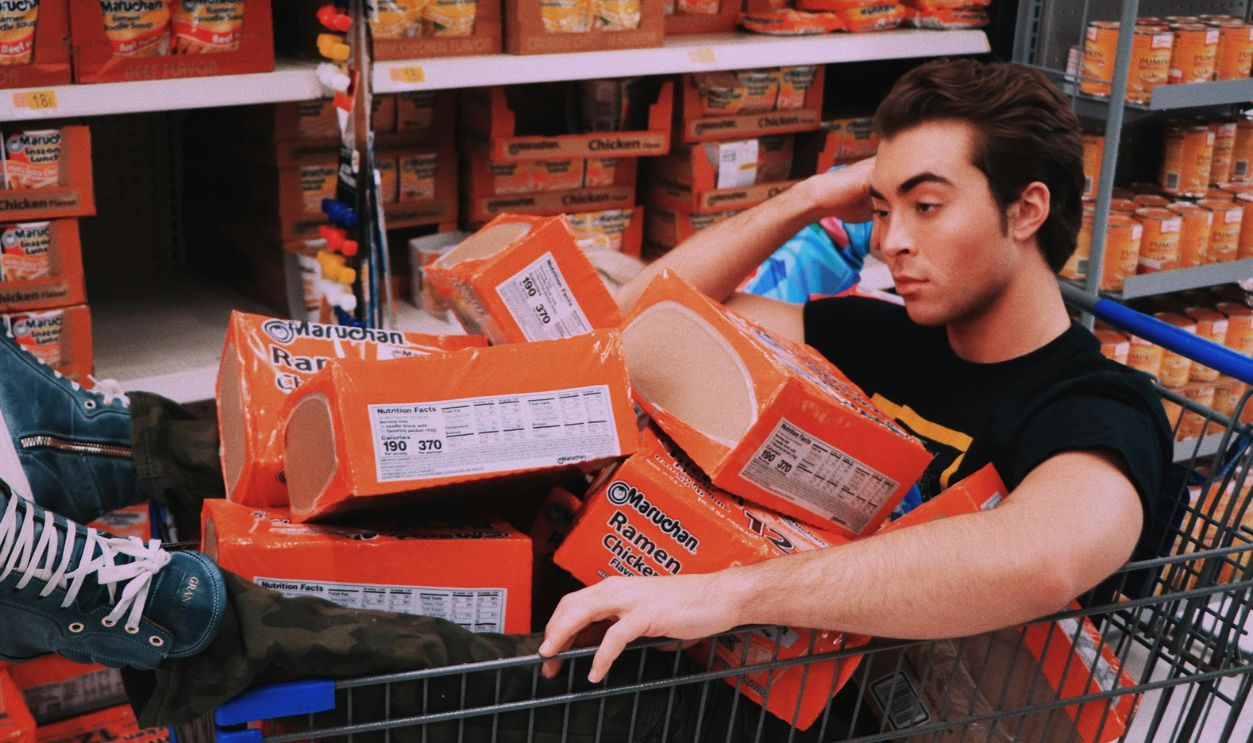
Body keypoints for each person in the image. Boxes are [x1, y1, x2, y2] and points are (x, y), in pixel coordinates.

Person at [0, 58, 1172, 739]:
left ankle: (172, 609)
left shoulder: (1092, 407)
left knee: (499, 651)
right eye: (884, 206)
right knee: (485, 407)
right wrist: (807, 195)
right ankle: (85, 441)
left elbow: (1037, 557)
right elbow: (644, 333)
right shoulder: (877, 331)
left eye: (928, 203)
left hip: (751, 693)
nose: (894, 237)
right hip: (652, 573)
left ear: (1026, 212)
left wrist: (731, 591)